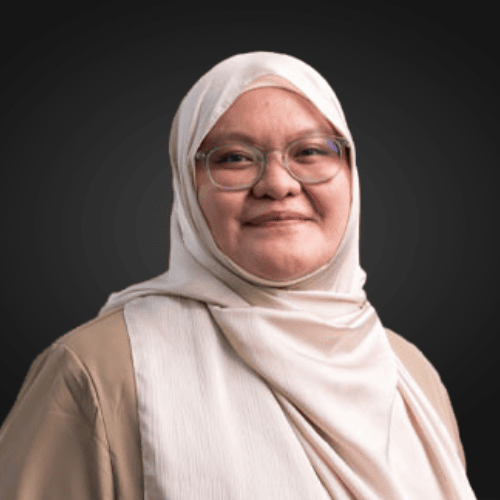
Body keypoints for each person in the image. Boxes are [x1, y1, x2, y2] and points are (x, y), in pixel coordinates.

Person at [0, 51, 477, 499]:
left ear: (351, 175)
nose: (278, 184)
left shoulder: (408, 374)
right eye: (234, 158)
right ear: (188, 188)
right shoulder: (98, 371)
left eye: (310, 152)